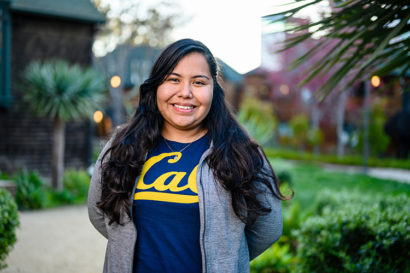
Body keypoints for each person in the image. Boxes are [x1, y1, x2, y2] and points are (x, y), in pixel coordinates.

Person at [88, 38, 291, 273]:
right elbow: (99, 212)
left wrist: (224, 259)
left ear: (213, 90)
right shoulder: (123, 145)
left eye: (198, 82)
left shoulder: (242, 153)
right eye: (173, 79)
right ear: (156, 87)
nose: (185, 92)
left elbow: (268, 229)